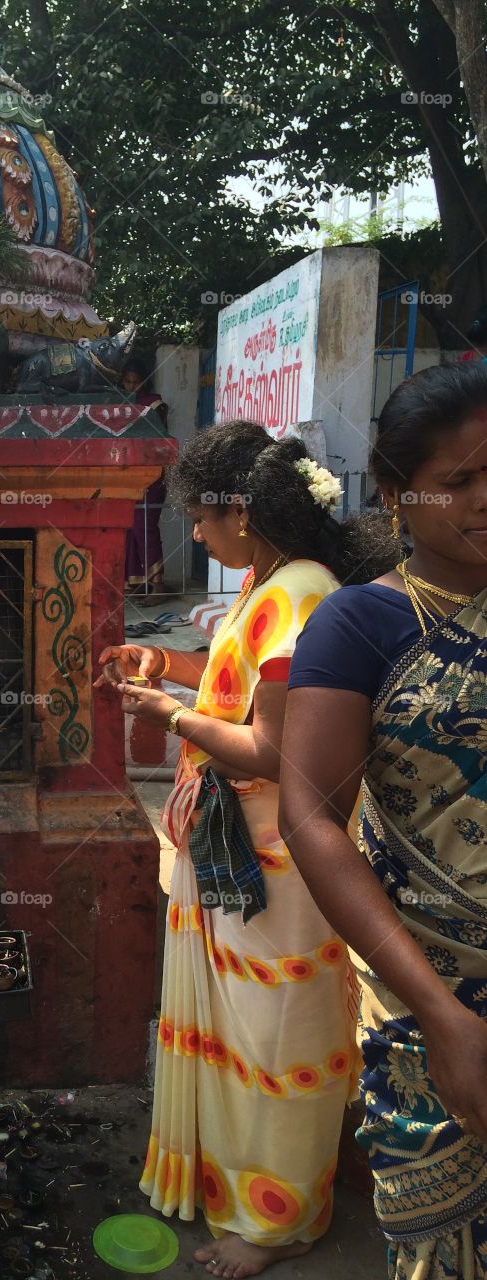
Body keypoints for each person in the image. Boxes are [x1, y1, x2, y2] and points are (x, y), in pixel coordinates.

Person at [95, 420, 398, 1278]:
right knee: (241, 1031)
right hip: (239, 855)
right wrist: (163, 660)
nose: (193, 532)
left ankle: (281, 1223)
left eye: (201, 515)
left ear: (244, 512)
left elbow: (273, 752)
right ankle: (241, 1186)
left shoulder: (299, 593)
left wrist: (168, 719)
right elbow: (239, 675)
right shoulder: (272, 583)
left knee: (273, 1039)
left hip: (278, 867)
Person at [279, 361, 487, 1280]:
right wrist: (444, 1019)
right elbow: (313, 819)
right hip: (429, 995)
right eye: (461, 481)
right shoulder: (361, 625)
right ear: (402, 497)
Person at [122, 359, 168, 593]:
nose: (131, 387)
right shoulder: (119, 405)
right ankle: (138, 583)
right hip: (128, 475)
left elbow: (158, 440)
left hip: (152, 475)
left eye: (135, 382)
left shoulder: (154, 405)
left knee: (144, 527)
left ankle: (158, 584)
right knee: (129, 527)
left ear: (144, 383)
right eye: (127, 382)